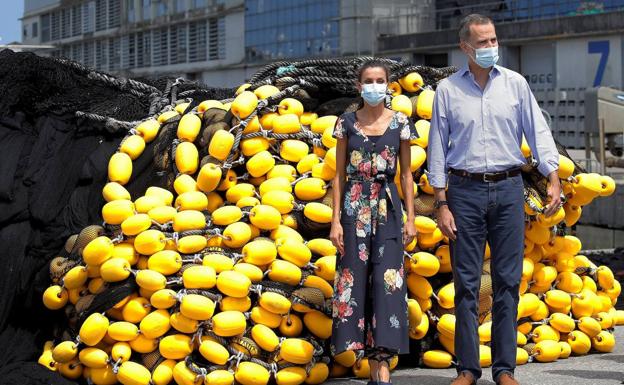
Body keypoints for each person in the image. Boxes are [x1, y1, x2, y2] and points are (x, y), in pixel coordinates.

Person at [427, 14, 561, 385]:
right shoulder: (448, 91)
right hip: (464, 191)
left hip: (508, 189)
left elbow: (538, 131)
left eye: (493, 40)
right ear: (465, 47)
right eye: (482, 42)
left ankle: (504, 369)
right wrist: (441, 202)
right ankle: (468, 369)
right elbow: (437, 147)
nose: (490, 47)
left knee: (507, 280)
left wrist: (552, 176)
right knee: (467, 284)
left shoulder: (515, 85)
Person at [329, 59, 418, 385]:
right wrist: (335, 220)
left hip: (389, 209)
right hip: (354, 207)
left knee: (387, 282)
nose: (375, 86)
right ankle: (366, 358)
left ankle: (381, 362)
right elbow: (338, 175)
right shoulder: (346, 124)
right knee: (354, 281)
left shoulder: (401, 124)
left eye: (380, 80)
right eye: (369, 80)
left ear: (389, 85)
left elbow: (407, 174)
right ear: (358, 86)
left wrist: (411, 218)